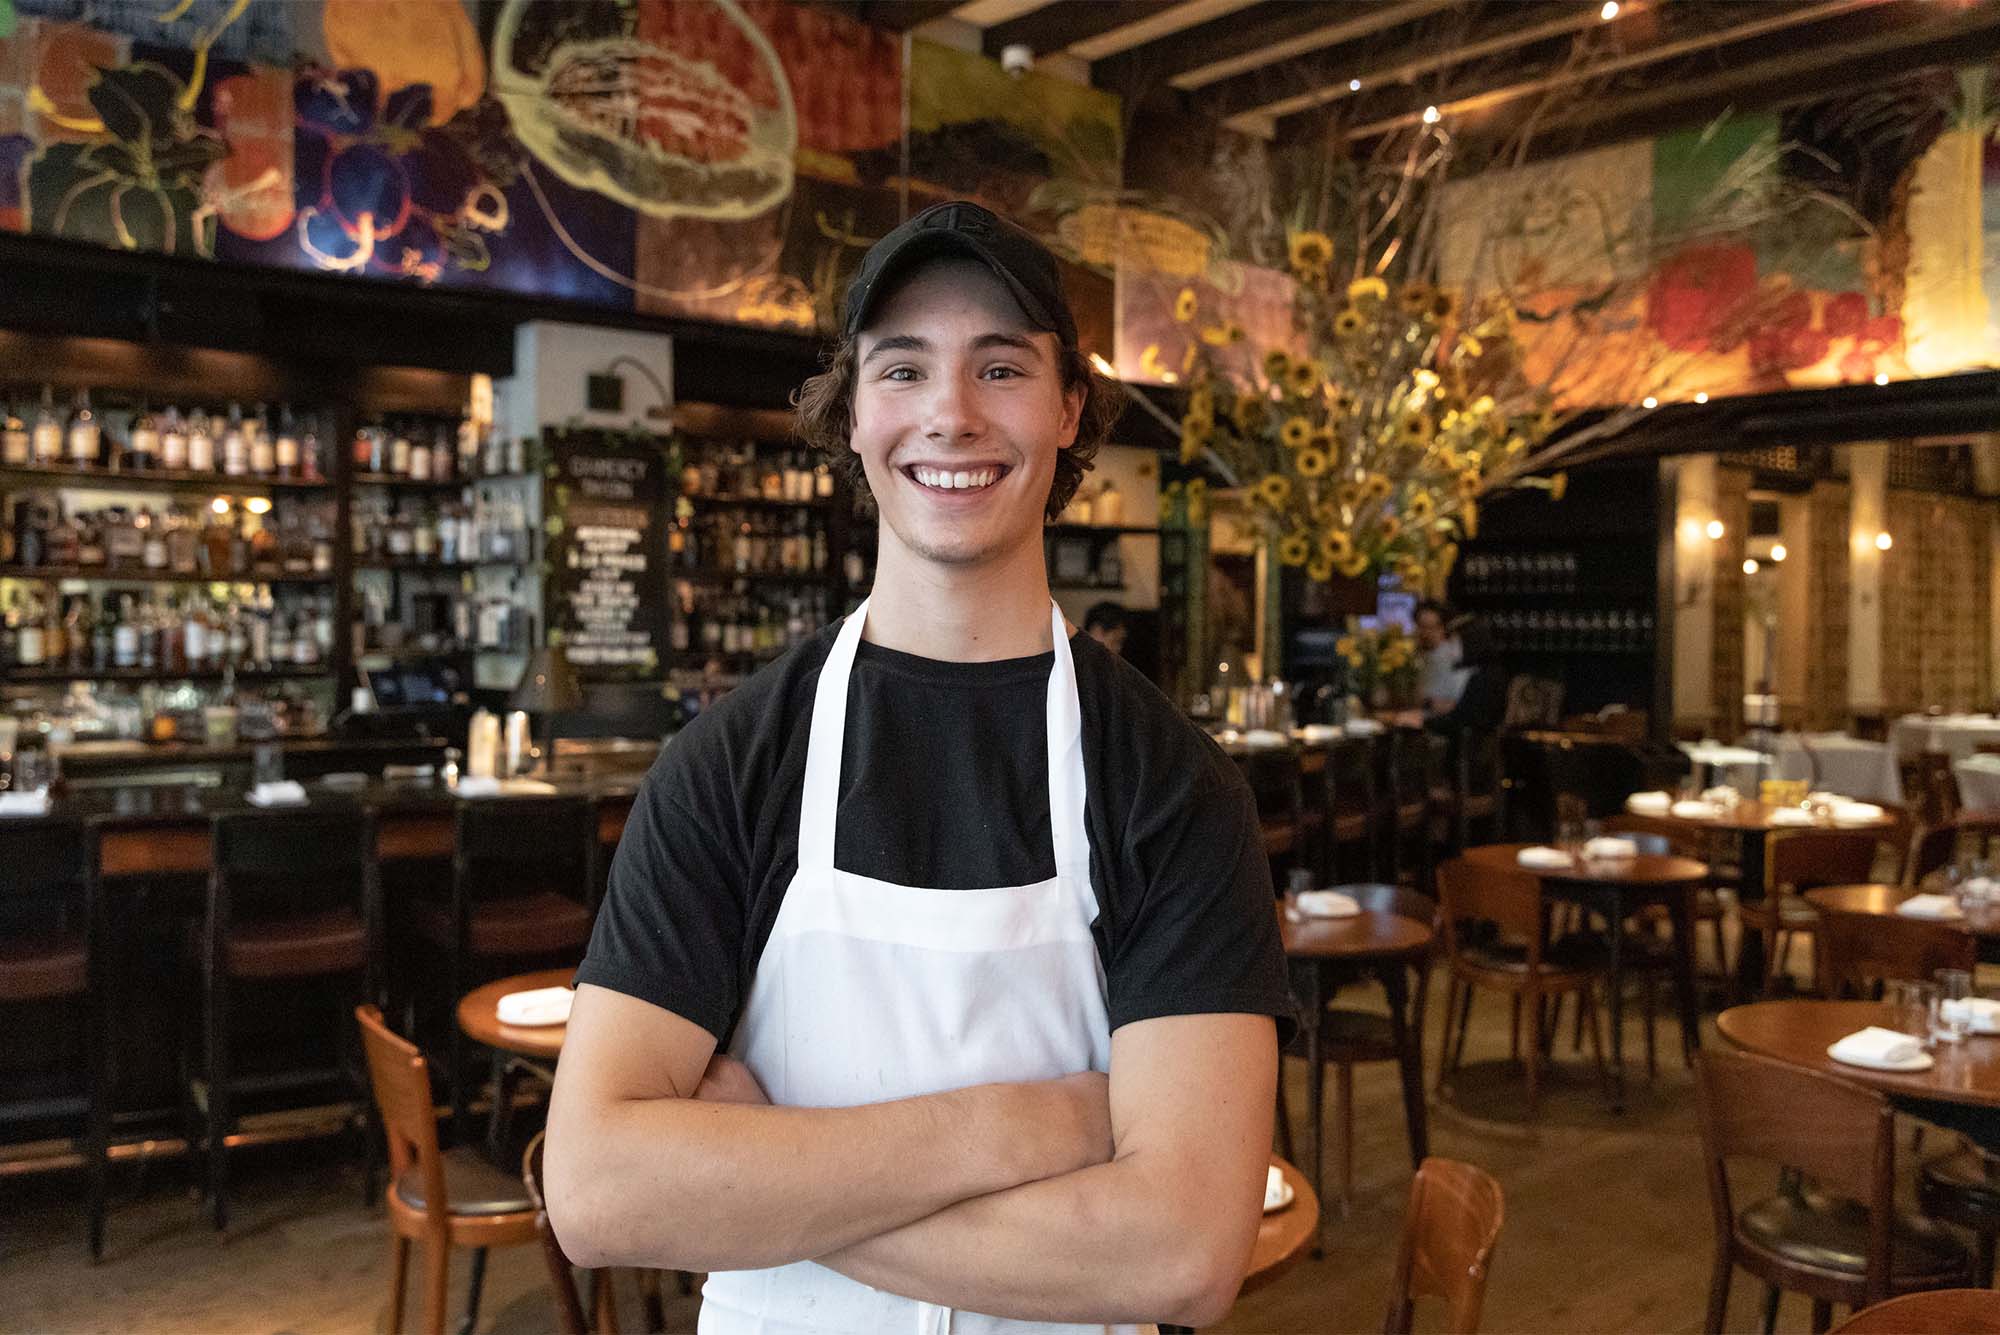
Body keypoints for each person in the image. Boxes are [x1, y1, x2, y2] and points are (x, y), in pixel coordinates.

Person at [546, 201, 1292, 1335]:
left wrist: (750, 1183)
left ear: (1067, 410)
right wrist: (1027, 1128)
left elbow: (1181, 1252)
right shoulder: (732, 763)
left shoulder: (1171, 785)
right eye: (902, 370)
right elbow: (598, 1193)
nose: (949, 415)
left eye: (1000, 367)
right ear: (852, 414)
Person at [1414, 599, 1472, 713]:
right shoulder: (1416, 656)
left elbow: (1459, 705)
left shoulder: (1454, 658)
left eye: (1430, 627)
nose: (1424, 633)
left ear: (1443, 628)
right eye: (1421, 626)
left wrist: (1427, 703)